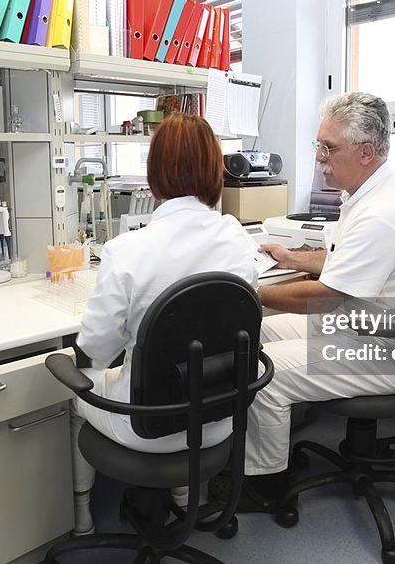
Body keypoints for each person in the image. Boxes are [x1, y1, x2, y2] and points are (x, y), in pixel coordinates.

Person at [240, 91, 395, 505]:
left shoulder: (382, 212)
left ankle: (267, 486)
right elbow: (341, 262)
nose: (319, 157)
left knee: (264, 376)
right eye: (319, 145)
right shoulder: (369, 192)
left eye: (328, 147)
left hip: (389, 350)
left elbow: (329, 296)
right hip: (361, 326)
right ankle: (270, 451)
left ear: (366, 152)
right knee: (256, 336)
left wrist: (252, 294)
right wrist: (290, 256)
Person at [70, 113, 259, 534]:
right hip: (218, 422)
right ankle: (186, 497)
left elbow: (97, 352)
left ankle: (81, 520)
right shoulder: (238, 241)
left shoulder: (128, 250)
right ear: (215, 172)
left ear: (154, 174)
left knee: (76, 385)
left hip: (145, 428)